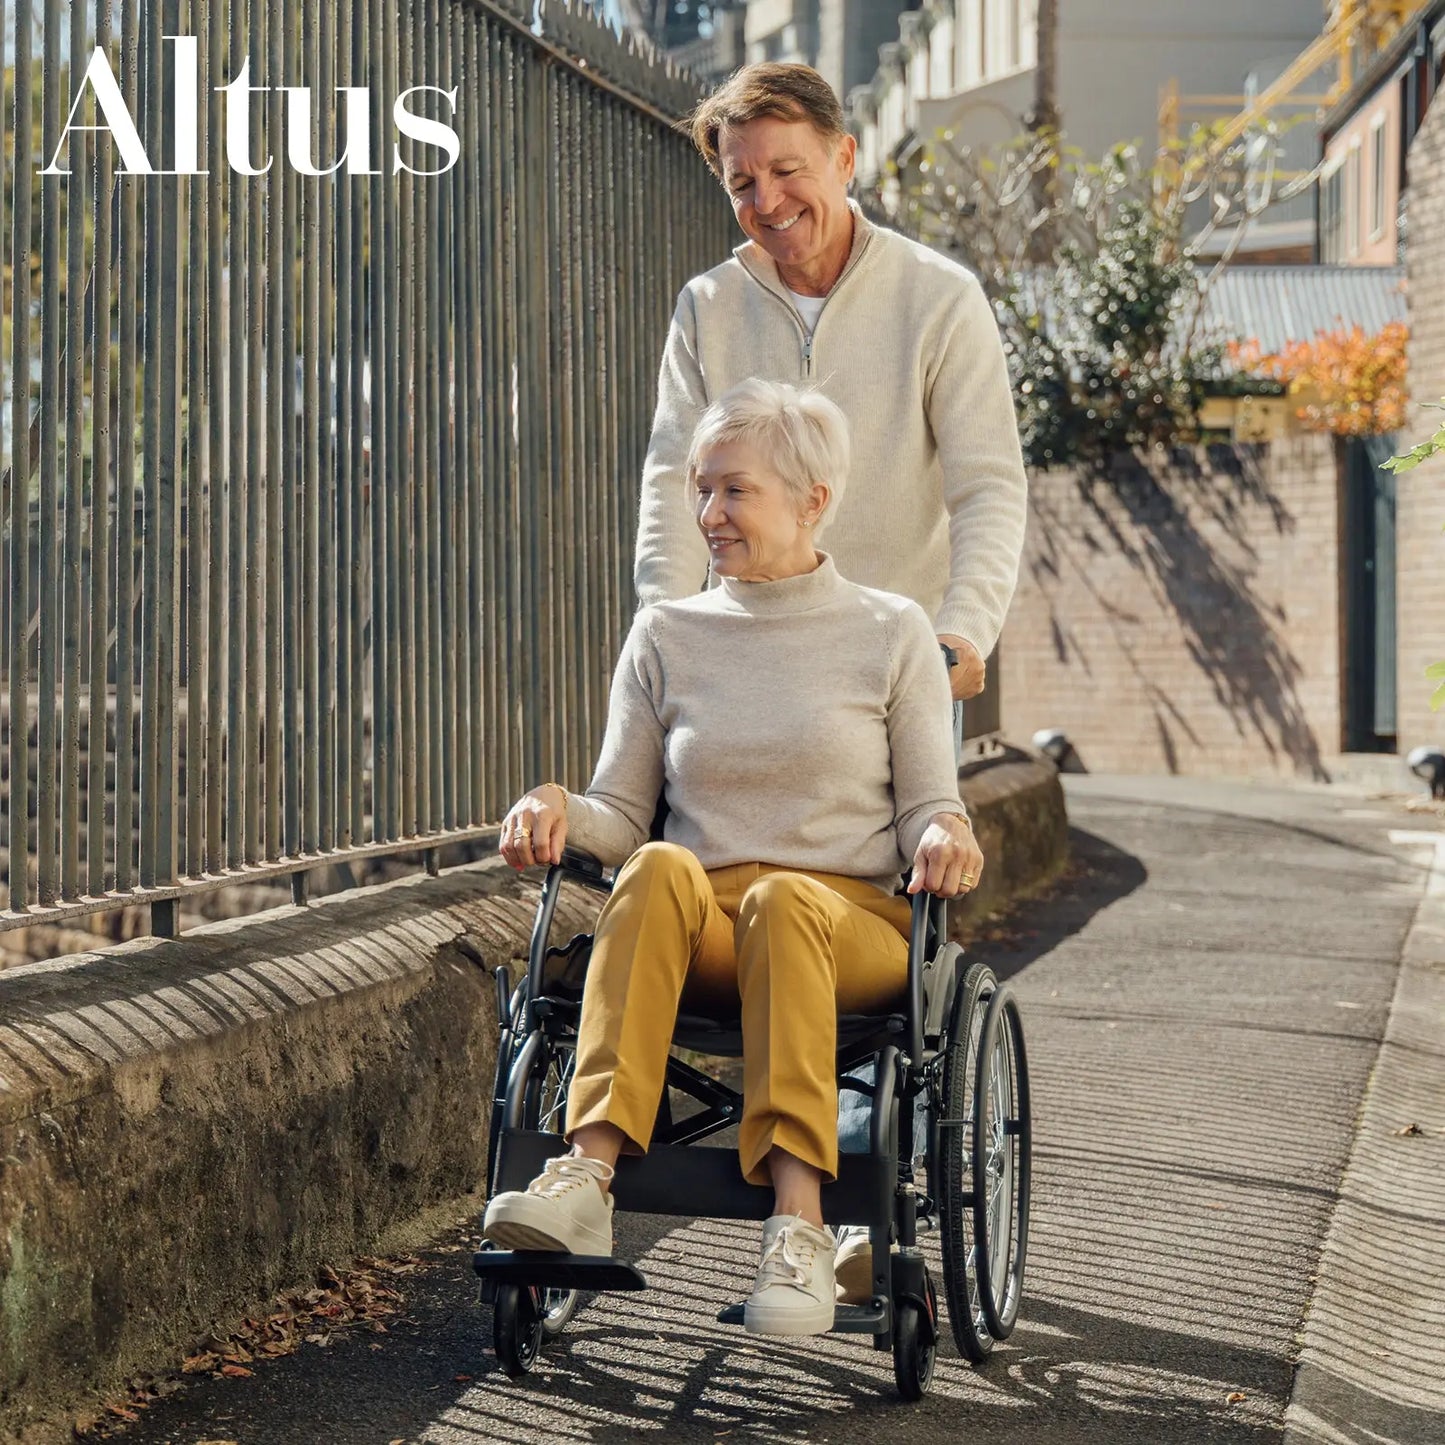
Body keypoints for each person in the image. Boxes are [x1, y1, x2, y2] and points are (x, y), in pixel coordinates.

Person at [482, 381, 985, 1338]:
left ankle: (797, 1231)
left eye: (734, 492)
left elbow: (929, 801)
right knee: (658, 869)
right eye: (701, 490)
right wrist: (556, 804)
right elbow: (625, 816)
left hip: (851, 927)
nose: (709, 514)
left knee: (788, 901)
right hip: (707, 923)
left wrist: (943, 831)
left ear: (812, 500)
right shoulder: (667, 634)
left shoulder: (890, 632)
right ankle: (587, 1174)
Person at [634, 61, 1028, 705]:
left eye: (787, 171)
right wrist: (665, 626)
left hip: (895, 672)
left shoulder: (941, 299)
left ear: (844, 158)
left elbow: (988, 485)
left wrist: (963, 632)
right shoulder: (708, 306)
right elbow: (674, 478)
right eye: (742, 183)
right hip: (739, 669)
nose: (766, 202)